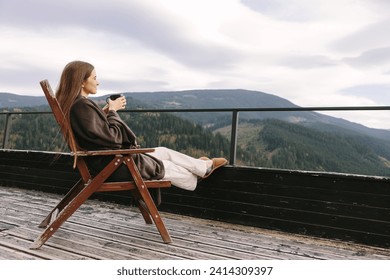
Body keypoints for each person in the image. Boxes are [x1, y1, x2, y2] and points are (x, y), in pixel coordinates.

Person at [55, 60, 227, 191]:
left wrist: (106, 112)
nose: (98, 82)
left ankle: (202, 167)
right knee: (164, 165)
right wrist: (114, 112)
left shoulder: (77, 105)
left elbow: (95, 132)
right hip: (112, 166)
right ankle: (197, 176)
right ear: (82, 82)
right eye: (94, 78)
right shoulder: (81, 106)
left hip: (105, 162)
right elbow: (112, 139)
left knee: (163, 151)